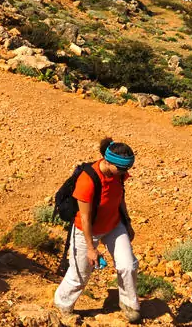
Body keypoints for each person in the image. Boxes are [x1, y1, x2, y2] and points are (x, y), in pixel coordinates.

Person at [54, 138, 140, 323]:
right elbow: (85, 218)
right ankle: (63, 305)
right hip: (86, 230)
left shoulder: (119, 174)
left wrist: (127, 223)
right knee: (80, 275)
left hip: (113, 225)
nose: (125, 173)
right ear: (107, 162)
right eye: (122, 168)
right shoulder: (88, 180)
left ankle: (129, 304)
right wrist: (91, 248)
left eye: (127, 168)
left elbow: (119, 197)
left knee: (128, 265)